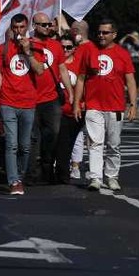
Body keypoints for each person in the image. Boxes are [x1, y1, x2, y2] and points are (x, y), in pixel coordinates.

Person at [74, 19, 139, 192]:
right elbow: (81, 78)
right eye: (99, 32)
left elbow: (130, 80)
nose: (101, 36)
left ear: (114, 35)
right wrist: (76, 104)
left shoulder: (122, 53)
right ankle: (95, 178)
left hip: (115, 106)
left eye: (105, 32)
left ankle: (112, 177)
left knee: (113, 144)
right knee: (95, 143)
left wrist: (133, 104)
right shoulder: (90, 50)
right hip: (93, 105)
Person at [0, 13, 44, 195]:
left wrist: (28, 52)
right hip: (8, 102)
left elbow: (39, 70)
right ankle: (14, 181)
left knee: (25, 145)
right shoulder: (2, 48)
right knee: (11, 144)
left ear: (27, 27)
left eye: (22, 27)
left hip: (28, 103)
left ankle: (19, 174)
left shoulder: (36, 47)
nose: (18, 31)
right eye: (15, 28)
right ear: (11, 28)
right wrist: (2, 87)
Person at [29, 12, 66, 185]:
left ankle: (47, 167)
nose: (48, 27)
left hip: (51, 98)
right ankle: (33, 172)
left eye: (49, 24)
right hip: (31, 98)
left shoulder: (56, 46)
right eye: (43, 25)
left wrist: (70, 92)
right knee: (33, 137)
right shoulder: (28, 45)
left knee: (52, 134)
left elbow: (63, 69)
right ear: (34, 26)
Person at [55, 33, 84, 184]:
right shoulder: (54, 63)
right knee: (57, 143)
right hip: (55, 110)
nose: (65, 50)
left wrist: (81, 103)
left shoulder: (79, 64)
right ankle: (58, 171)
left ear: (74, 48)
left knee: (69, 143)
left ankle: (70, 170)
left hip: (73, 111)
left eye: (69, 47)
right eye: (62, 47)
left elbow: (84, 86)